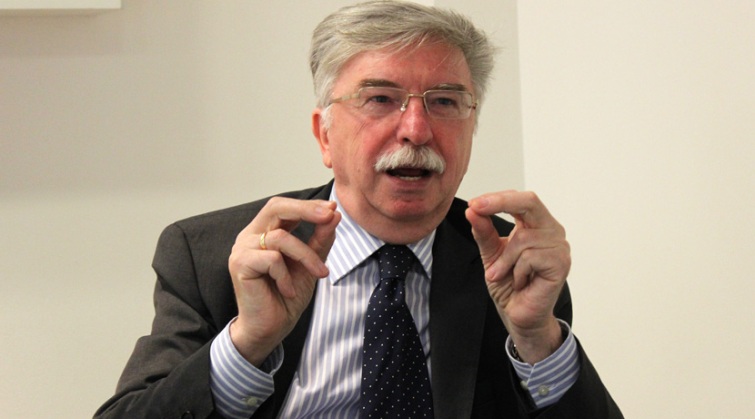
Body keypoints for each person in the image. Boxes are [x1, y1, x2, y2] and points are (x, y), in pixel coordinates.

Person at [95, 1, 622, 418]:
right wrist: (247, 344)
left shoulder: (509, 262)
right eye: (380, 99)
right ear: (325, 135)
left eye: (444, 101)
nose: (416, 130)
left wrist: (539, 341)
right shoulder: (214, 256)